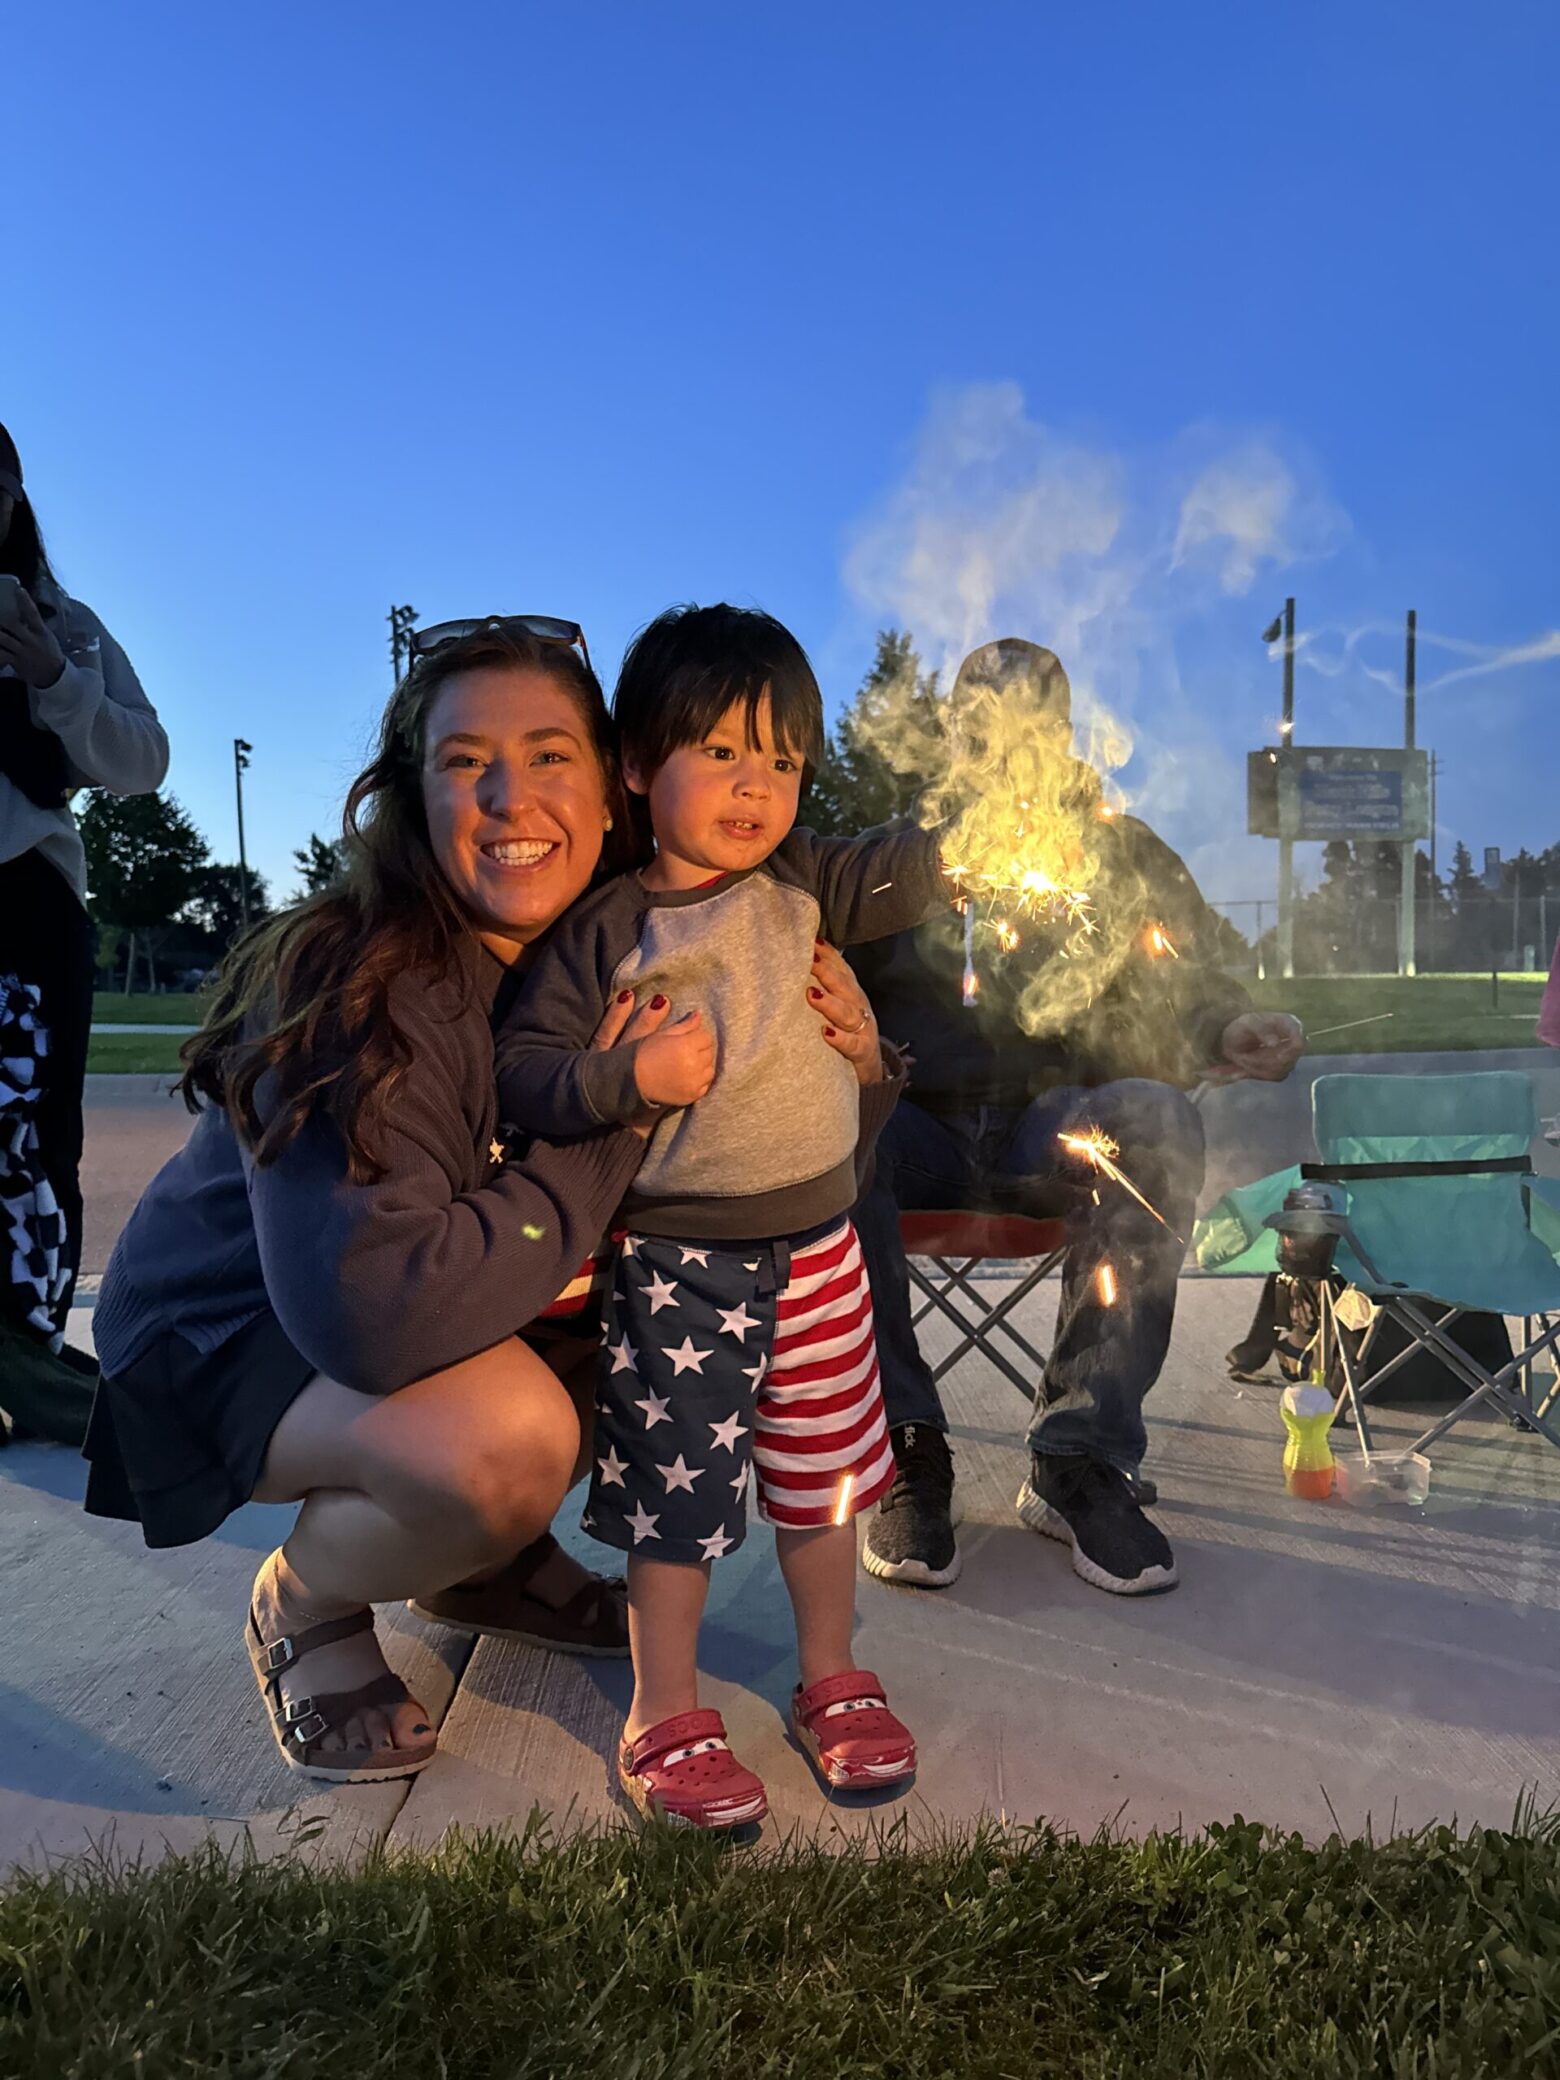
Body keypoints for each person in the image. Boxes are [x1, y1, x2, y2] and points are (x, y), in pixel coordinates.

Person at [85, 618, 899, 1786]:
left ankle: (476, 1566)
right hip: (240, 1337)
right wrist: (619, 1117)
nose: (513, 797)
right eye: (467, 762)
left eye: (550, 754)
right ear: (416, 798)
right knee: (508, 1441)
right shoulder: (367, 977)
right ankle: (307, 1599)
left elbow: (788, 1184)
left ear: (611, 784)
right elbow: (378, 1314)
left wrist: (857, 1063)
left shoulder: (646, 945)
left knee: (671, 1317)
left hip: (442, 1307)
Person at [496, 604, 948, 1830]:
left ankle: (831, 1673)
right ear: (638, 766)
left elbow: (901, 869)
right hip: (680, 1262)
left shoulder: (802, 880)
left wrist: (983, 807)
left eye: (786, 760)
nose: (761, 786)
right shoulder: (606, 927)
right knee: (676, 1495)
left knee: (823, 1482)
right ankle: (666, 1709)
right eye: (725, 752)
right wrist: (622, 1081)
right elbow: (524, 1067)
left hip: (821, 1252)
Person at [851, 638, 1304, 1598]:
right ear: (953, 738)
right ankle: (903, 1447)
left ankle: (1078, 1455)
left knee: (1155, 1115)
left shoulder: (1116, 851)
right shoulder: (893, 862)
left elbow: (1185, 967)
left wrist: (1233, 1019)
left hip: (1050, 1132)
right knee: (833, 1126)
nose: (1008, 749)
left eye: (1033, 726)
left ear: (1061, 735)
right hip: (914, 1135)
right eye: (982, 727)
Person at [0, 420, 168, 1446]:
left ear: (14, 491)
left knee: (31, 1129)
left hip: (25, 900)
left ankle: (28, 1344)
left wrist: (55, 674)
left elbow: (142, 760)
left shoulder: (70, 622)